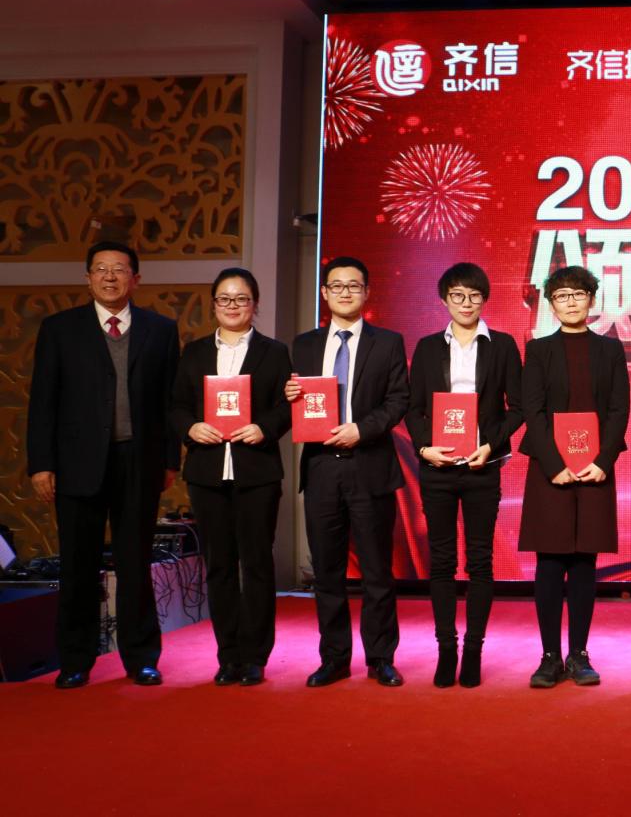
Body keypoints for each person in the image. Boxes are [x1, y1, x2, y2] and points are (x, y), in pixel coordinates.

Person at [27, 241, 181, 689]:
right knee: (78, 564)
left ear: (136, 278)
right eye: (100, 269)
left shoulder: (160, 329)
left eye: (119, 269)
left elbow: (170, 402)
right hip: (77, 463)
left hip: (139, 459)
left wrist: (169, 459)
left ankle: (142, 658)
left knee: (136, 564)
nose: (110, 277)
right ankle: (75, 660)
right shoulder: (60, 329)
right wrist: (42, 464)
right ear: (88, 278)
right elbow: (43, 402)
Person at [286, 257, 409, 688]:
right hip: (321, 467)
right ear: (324, 293)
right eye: (336, 286)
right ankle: (334, 658)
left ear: (366, 292)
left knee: (377, 570)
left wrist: (361, 429)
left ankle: (381, 657)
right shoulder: (304, 345)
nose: (344, 293)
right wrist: (290, 394)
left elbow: (398, 400)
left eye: (353, 286)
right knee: (327, 571)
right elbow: (299, 401)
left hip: (369, 464)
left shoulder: (388, 342)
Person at [169, 268, 291, 686]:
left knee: (256, 564)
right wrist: (191, 428)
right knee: (218, 566)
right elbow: (176, 406)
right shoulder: (194, 353)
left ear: (255, 305)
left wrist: (264, 427)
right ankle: (228, 656)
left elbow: (287, 405)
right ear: (214, 304)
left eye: (241, 299)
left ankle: (255, 656)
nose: (233, 306)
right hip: (207, 472)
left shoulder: (275, 352)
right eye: (224, 298)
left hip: (256, 471)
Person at [405, 263, 522, 688]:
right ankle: (446, 649)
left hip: (481, 467)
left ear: (484, 299)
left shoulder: (502, 346)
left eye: (474, 295)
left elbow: (518, 407)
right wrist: (424, 448)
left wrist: (491, 444)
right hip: (437, 468)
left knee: (479, 562)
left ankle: (473, 649)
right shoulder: (427, 347)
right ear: (444, 300)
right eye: (457, 295)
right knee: (441, 562)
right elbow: (413, 407)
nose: (466, 303)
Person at [518, 266, 630, 688]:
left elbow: (619, 409)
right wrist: (553, 464)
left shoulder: (610, 350)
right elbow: (533, 411)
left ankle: (579, 654)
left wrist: (604, 460)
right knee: (549, 564)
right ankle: (549, 656)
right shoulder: (539, 350)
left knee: (585, 563)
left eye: (578, 294)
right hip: (550, 471)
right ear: (551, 303)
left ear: (591, 300)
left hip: (595, 469)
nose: (570, 302)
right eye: (562, 295)